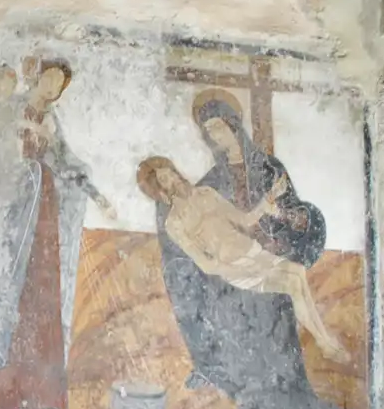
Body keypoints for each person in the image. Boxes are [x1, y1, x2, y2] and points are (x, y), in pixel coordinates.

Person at [154, 88, 345, 409]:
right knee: (243, 307)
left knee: (283, 295)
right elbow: (197, 235)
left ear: (233, 124)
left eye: (219, 127)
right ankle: (253, 402)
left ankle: (292, 399)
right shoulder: (210, 182)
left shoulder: (270, 169)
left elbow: (289, 211)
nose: (215, 136)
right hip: (234, 272)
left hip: (266, 255)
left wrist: (289, 220)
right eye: (208, 132)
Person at [0, 59, 113, 409]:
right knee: (3, 294)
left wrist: (95, 192)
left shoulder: (53, 124)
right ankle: (0, 399)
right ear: (37, 77)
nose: (51, 88)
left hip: (43, 216)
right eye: (49, 78)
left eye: (58, 86)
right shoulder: (7, 107)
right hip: (7, 217)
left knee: (41, 297)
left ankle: (41, 396)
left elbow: (67, 163)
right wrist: (9, 157)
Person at [137, 156, 350, 364]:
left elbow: (244, 220)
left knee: (298, 273)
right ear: (160, 191)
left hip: (252, 251)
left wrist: (266, 202)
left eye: (170, 173)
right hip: (234, 266)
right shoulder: (174, 222)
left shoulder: (206, 194)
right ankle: (325, 343)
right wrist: (229, 269)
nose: (172, 179)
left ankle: (324, 341)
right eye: (164, 180)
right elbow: (205, 263)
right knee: (293, 282)